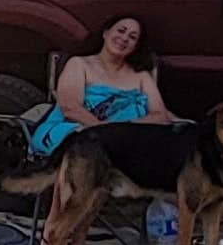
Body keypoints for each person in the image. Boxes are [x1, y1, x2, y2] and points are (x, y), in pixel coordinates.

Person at [24, 16, 175, 158]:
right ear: (106, 33)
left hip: (126, 138)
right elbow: (70, 107)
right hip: (79, 131)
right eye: (121, 31)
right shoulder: (79, 64)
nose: (124, 39)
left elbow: (160, 116)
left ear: (136, 46)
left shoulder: (141, 76)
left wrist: (123, 130)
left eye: (132, 37)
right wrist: (104, 132)